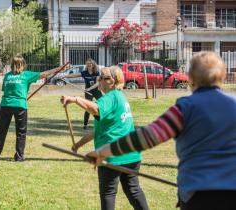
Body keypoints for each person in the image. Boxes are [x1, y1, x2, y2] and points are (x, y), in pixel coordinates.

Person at [87, 52, 236, 210]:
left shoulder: (185, 108)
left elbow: (146, 137)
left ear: (190, 79)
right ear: (223, 76)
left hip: (197, 195)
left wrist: (103, 152)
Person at [61, 66, 149, 210]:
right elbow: (99, 129)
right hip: (131, 155)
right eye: (99, 77)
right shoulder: (120, 97)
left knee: (108, 193)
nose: (99, 80)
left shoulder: (110, 97)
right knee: (134, 191)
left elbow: (96, 109)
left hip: (112, 157)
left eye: (103, 77)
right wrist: (78, 144)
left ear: (112, 81)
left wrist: (75, 99)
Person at [0, 55, 65, 161]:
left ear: (12, 65)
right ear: (23, 65)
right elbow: (44, 74)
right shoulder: (26, 75)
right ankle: (19, 157)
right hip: (20, 105)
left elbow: (5, 90)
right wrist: (59, 68)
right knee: (21, 132)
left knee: (1, 130)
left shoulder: (7, 76)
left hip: (6, 105)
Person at [61, 58, 102, 130]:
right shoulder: (84, 72)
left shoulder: (97, 72)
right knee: (88, 107)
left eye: (91, 63)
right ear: (86, 65)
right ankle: (85, 125)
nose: (89, 65)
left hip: (96, 91)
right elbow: (75, 75)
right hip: (88, 92)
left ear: (93, 65)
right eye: (88, 63)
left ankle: (103, 122)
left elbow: (97, 83)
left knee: (102, 106)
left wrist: (89, 89)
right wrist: (65, 76)